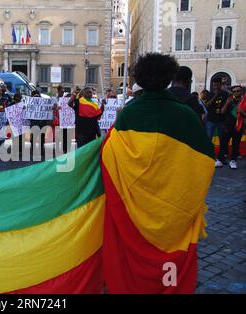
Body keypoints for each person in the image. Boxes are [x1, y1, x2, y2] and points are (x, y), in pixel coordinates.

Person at [101, 53, 214, 293]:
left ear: (139, 79)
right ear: (169, 78)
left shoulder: (129, 114)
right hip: (173, 207)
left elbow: (109, 155)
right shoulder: (186, 115)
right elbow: (204, 162)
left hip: (135, 208)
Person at [218, 86, 245, 169]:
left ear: (241, 92)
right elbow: (222, 112)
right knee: (223, 144)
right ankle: (220, 160)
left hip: (238, 126)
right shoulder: (229, 100)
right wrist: (227, 102)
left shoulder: (244, 102)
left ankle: (233, 161)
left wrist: (242, 112)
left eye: (238, 91)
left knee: (235, 144)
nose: (236, 93)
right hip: (227, 126)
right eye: (234, 91)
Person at [206, 77, 230, 167]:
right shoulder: (210, 93)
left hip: (221, 120)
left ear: (220, 84)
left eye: (217, 85)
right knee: (209, 139)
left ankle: (221, 158)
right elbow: (207, 105)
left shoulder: (225, 94)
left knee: (222, 140)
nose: (215, 86)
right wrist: (215, 96)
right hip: (211, 120)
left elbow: (228, 104)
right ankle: (209, 156)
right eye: (214, 85)